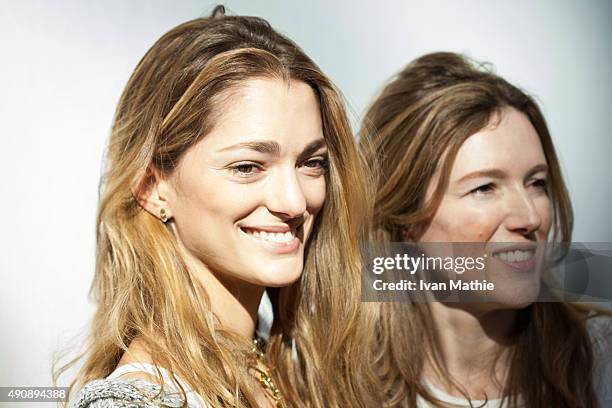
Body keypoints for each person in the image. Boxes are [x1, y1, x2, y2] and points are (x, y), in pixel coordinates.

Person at [53, 6, 379, 408]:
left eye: (311, 163)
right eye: (247, 167)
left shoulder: (287, 364)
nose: (295, 201)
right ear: (153, 187)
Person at [360, 52, 612, 407]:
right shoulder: (340, 385)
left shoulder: (600, 365)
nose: (529, 217)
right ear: (404, 220)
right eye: (484, 188)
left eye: (536, 183)